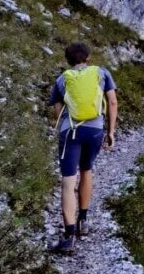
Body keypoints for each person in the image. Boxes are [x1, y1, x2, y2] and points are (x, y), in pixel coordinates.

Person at [47, 42, 118, 253]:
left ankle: (68, 238)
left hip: (70, 133)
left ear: (68, 60)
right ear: (88, 57)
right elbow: (112, 102)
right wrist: (111, 132)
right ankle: (83, 221)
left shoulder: (62, 79)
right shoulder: (101, 73)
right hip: (95, 131)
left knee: (68, 182)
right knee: (87, 170)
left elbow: (57, 112)